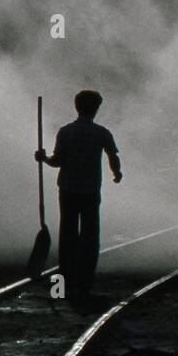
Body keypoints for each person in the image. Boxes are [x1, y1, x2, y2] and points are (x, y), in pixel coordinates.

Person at [35, 89, 122, 299]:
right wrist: (116, 173)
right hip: (90, 190)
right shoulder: (102, 133)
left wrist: (43, 158)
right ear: (96, 109)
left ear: (77, 107)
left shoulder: (65, 132)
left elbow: (58, 161)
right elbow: (112, 155)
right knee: (90, 236)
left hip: (67, 190)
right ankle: (85, 281)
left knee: (68, 234)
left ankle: (65, 279)